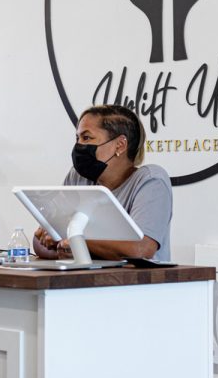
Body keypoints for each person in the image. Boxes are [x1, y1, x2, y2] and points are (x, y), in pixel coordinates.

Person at [33, 104, 173, 261]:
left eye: (87, 138)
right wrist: (66, 245)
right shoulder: (78, 177)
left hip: (138, 277)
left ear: (120, 145)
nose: (79, 145)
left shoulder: (151, 180)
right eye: (77, 138)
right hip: (84, 276)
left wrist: (76, 241)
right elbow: (40, 241)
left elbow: (141, 250)